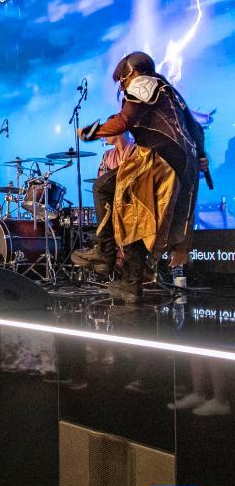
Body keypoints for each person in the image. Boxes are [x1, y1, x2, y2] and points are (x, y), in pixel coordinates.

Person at [75, 52, 205, 301]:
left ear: (131, 72)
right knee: (133, 214)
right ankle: (131, 284)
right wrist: (201, 156)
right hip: (180, 166)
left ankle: (105, 253)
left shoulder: (143, 83)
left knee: (104, 188)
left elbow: (124, 121)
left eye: (122, 80)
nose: (122, 86)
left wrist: (90, 132)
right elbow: (197, 129)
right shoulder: (170, 92)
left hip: (160, 159)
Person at [70, 132, 135, 274]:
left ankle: (109, 253)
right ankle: (108, 255)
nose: (104, 136)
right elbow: (102, 182)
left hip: (131, 206)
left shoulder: (135, 151)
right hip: (112, 205)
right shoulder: (107, 155)